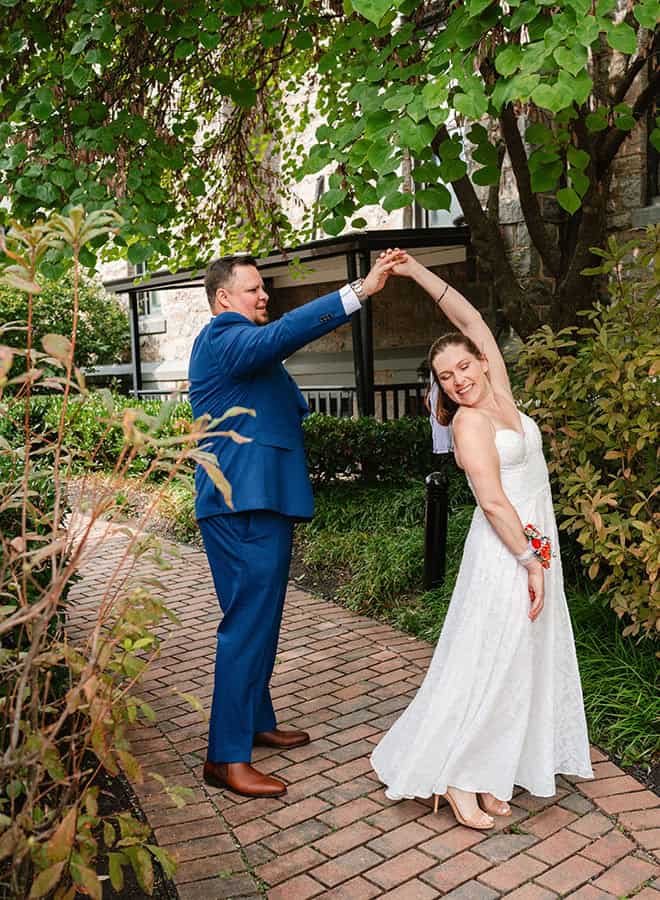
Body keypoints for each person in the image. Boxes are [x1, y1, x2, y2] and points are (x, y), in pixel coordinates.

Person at [371, 251, 593, 830]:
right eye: (446, 378)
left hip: (532, 546)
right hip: (505, 554)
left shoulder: (499, 395)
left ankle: (491, 769)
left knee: (518, 664)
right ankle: (454, 776)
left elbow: (470, 320)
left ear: (483, 364)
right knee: (486, 663)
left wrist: (416, 272)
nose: (458, 380)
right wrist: (531, 561)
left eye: (463, 368)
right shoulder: (468, 420)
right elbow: (494, 502)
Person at [188, 251, 402, 799]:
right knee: (246, 626)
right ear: (223, 300)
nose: (264, 296)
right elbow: (280, 336)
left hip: (264, 502)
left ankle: (256, 719)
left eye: (265, 289)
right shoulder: (222, 337)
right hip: (243, 506)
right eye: (253, 289)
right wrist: (358, 292)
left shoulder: (245, 350)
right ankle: (225, 756)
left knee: (262, 620)